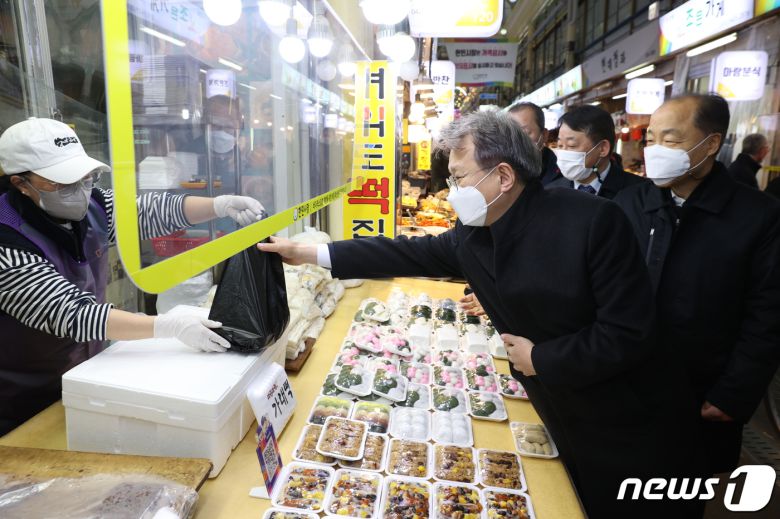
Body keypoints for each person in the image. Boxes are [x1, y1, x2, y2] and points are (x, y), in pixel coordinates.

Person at [260, 111, 703, 518]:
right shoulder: (475, 233)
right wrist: (309, 253)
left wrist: (542, 358)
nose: (451, 192)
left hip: (625, 414)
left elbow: (629, 332)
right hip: (557, 403)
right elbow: (404, 252)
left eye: (458, 178)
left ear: (503, 176)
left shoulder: (591, 222)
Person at [0, 118, 267, 434]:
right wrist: (167, 325)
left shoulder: (93, 205)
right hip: (28, 398)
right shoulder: (7, 240)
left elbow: (145, 212)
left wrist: (219, 205)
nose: (80, 190)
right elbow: (70, 313)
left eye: (86, 178)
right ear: (20, 183)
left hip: (89, 372)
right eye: (62, 183)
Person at [615, 94, 780, 476]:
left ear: (711, 144)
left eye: (670, 141)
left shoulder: (759, 218)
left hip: (699, 394)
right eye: (650, 139)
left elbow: (768, 313)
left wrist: (734, 393)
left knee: (678, 492)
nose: (655, 151)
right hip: (622, 385)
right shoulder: (630, 202)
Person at [554, 105, 646, 198]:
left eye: (571, 145)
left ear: (603, 148)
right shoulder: (552, 192)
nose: (563, 153)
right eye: (560, 145)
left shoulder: (640, 192)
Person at [506, 102, 562, 186]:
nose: (516, 139)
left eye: (525, 133)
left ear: (544, 135)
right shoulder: (500, 173)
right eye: (510, 133)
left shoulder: (563, 173)